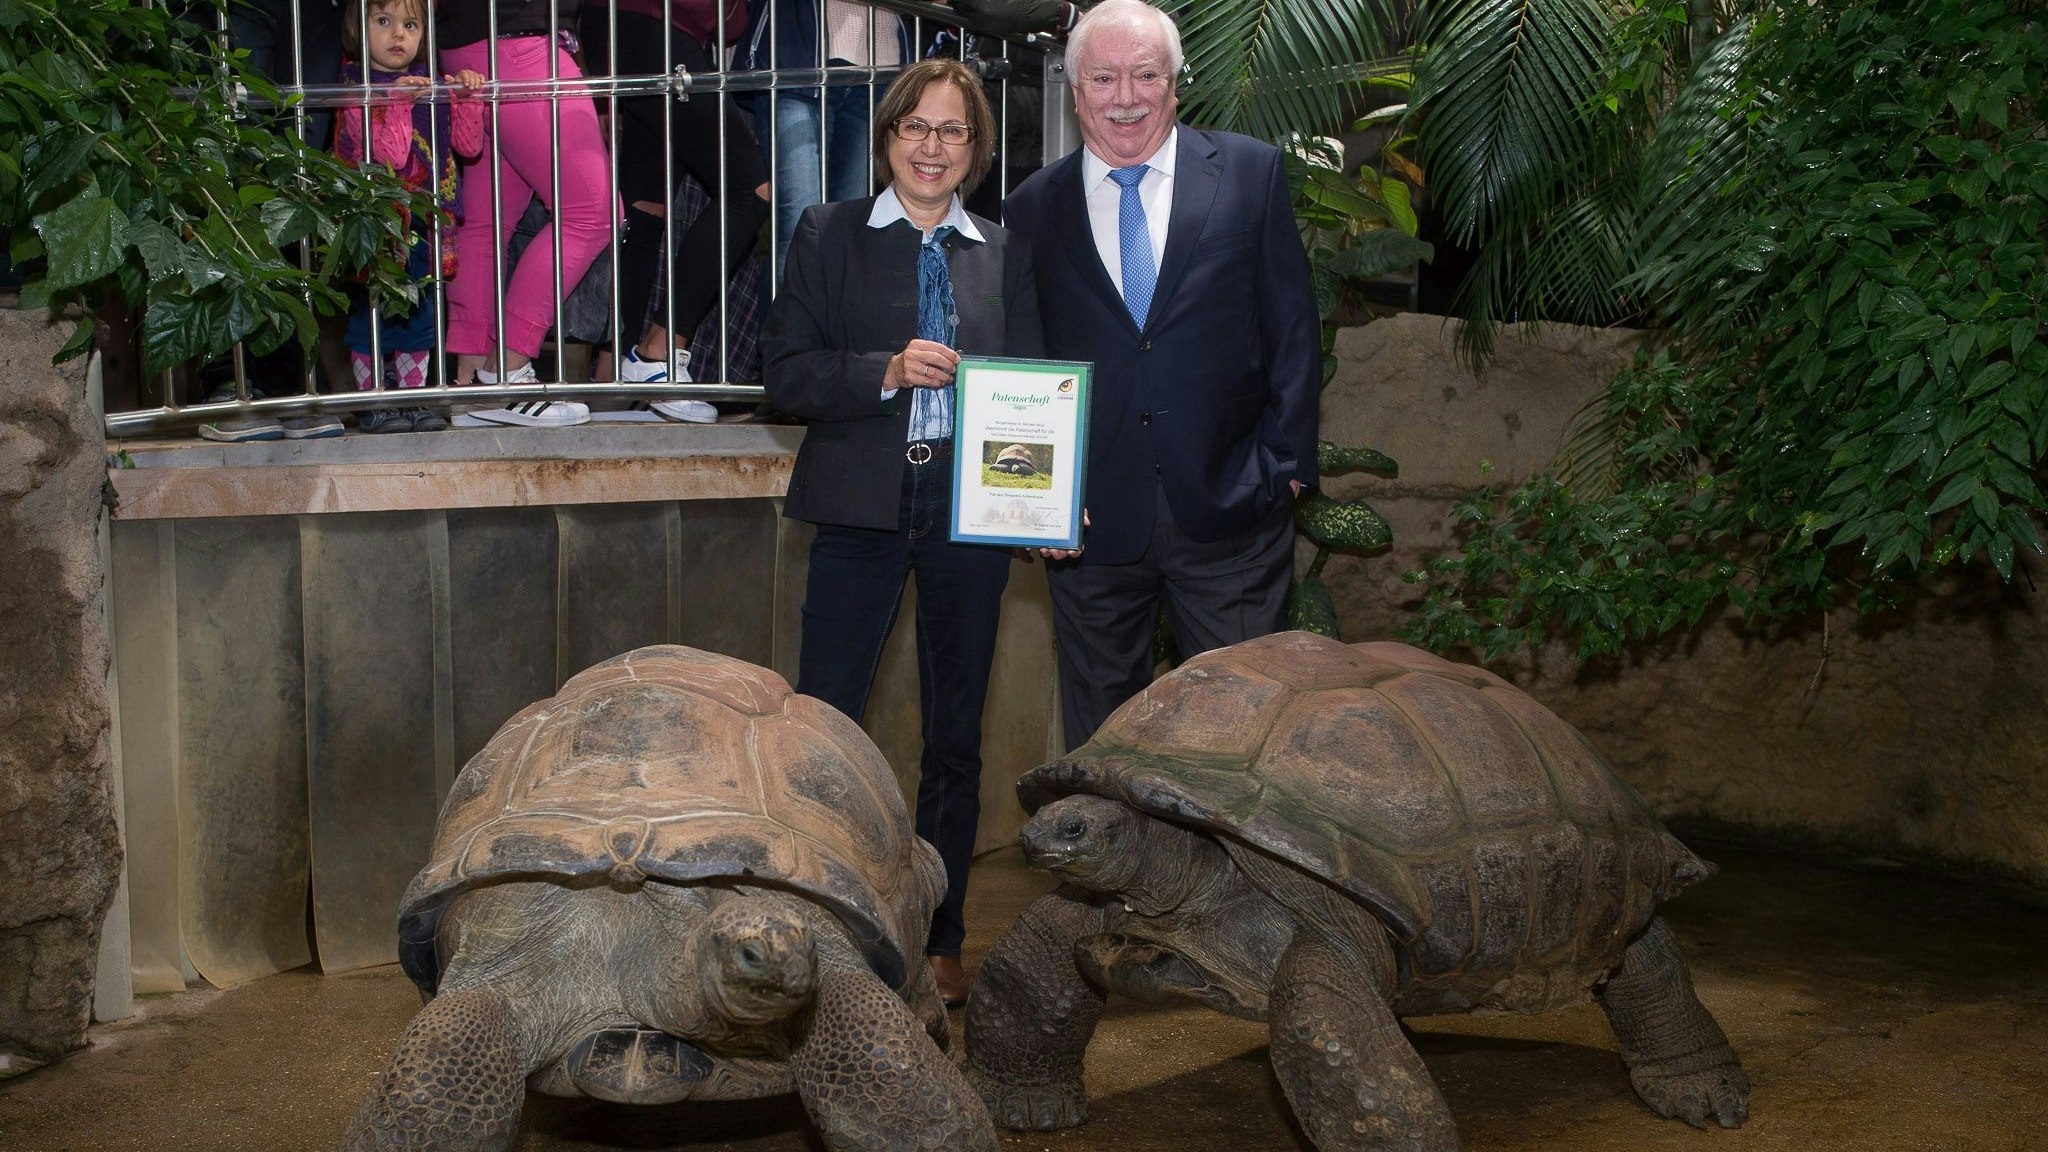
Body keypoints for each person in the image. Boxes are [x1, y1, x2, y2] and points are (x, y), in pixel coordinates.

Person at [762, 57, 1043, 1008]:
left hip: (971, 520)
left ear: (977, 148)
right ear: (887, 137)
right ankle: (817, 920)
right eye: (915, 126)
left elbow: (1033, 394)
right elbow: (786, 374)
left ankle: (941, 936)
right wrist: (883, 371)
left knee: (955, 739)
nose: (933, 146)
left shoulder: (1003, 252)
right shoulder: (829, 232)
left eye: (953, 130)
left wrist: (1049, 500)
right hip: (859, 513)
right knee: (825, 728)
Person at [1003, 0, 1319, 750]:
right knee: (1102, 748)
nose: (1126, 97)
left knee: (1240, 740)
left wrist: (1286, 469)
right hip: (1089, 531)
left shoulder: (1250, 173)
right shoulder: (1030, 208)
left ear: (1175, 83)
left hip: (1233, 514)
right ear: (1075, 90)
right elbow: (1024, 362)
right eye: (1104, 77)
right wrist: (1040, 501)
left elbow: (1293, 331)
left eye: (1146, 75)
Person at [580, 0, 769, 419]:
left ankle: (611, 382)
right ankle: (657, 354)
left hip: (639, 30)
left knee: (646, 209)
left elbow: (731, 25)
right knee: (750, 190)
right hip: (655, 31)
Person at [437, 0, 617, 425]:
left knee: (486, 220)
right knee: (591, 212)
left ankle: (471, 388)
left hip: (470, 46)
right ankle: (506, 371)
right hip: (520, 43)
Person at [334, 0, 485, 433]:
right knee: (371, 313)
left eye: (411, 25)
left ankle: (412, 397)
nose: (398, 34)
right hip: (376, 222)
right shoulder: (354, 87)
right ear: (357, 29)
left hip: (424, 220)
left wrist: (466, 98)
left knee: (421, 312)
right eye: (384, 21)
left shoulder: (431, 84)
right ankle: (373, 401)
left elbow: (469, 146)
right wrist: (400, 102)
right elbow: (390, 156)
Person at [737, 0, 910, 272]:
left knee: (846, 234)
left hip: (880, 68)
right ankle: (790, 303)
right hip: (795, 59)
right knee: (799, 225)